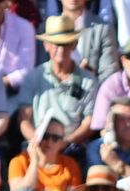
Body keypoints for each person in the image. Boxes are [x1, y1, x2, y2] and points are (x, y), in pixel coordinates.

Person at [17, 16, 100, 151]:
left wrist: (66, 141)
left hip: (71, 147)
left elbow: (89, 121)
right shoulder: (32, 77)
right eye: (56, 44)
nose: (61, 50)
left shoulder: (88, 80)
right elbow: (24, 119)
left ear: (74, 44)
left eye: (66, 44)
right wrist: (37, 141)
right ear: (46, 45)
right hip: (36, 146)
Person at [8, 112, 81, 191]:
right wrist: (34, 161)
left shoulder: (70, 165)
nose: (49, 142)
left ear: (62, 143)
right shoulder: (19, 161)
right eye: (45, 136)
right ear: (36, 136)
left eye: (55, 138)